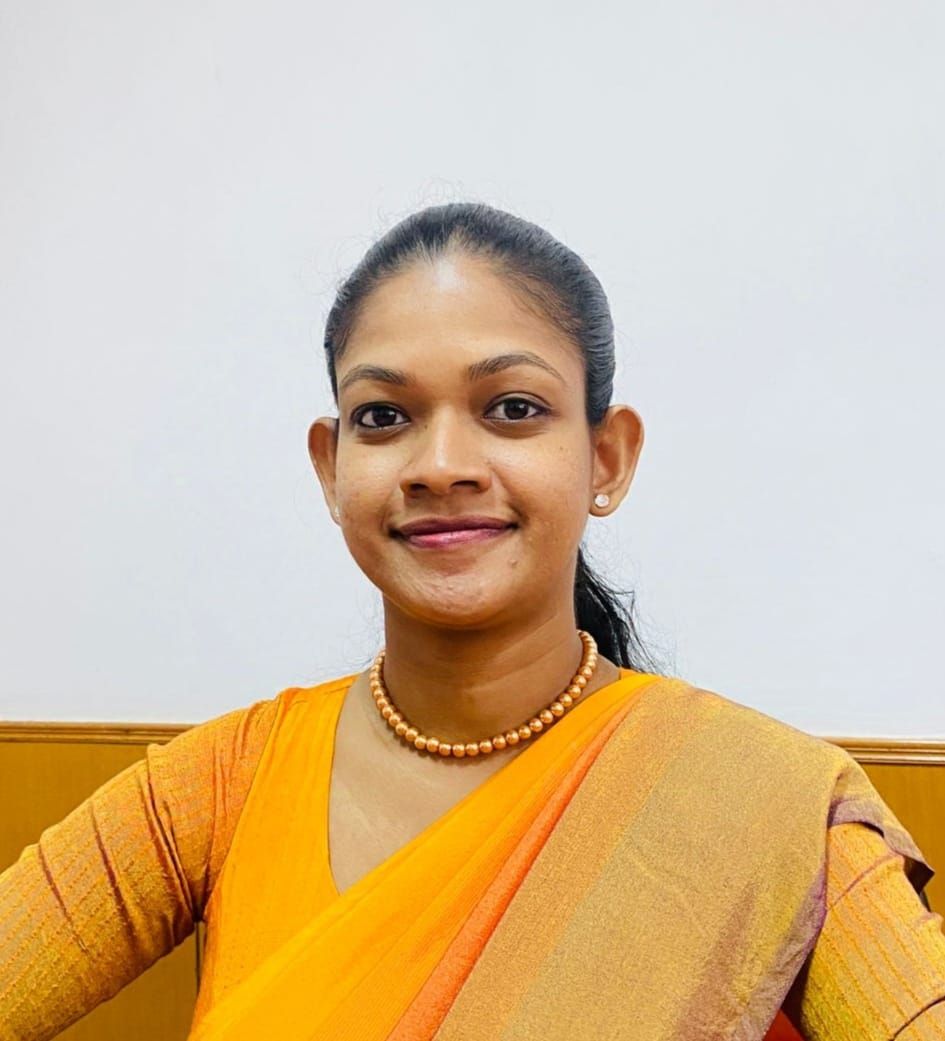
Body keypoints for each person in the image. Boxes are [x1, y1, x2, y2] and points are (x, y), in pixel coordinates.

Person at [1, 202, 944, 1041]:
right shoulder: (217, 785)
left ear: (606, 457)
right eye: (383, 417)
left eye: (512, 408)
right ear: (330, 466)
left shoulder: (759, 804)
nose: (440, 464)